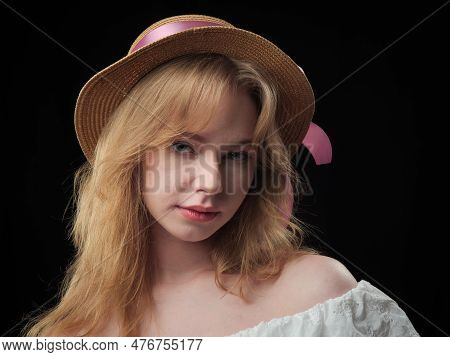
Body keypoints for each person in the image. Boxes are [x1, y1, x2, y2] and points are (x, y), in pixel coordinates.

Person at [22, 14, 419, 337]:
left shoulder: (317, 296)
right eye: (183, 147)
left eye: (236, 156)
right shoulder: (73, 336)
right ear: (132, 155)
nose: (212, 183)